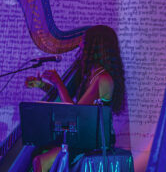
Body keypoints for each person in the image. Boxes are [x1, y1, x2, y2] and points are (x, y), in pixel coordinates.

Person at [25, 25, 125, 172]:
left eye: (84, 41)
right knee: (39, 153)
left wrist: (58, 82)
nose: (80, 45)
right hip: (85, 136)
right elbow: (68, 103)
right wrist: (42, 85)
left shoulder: (103, 78)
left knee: (40, 161)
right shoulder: (91, 75)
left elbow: (74, 113)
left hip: (95, 141)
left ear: (95, 46)